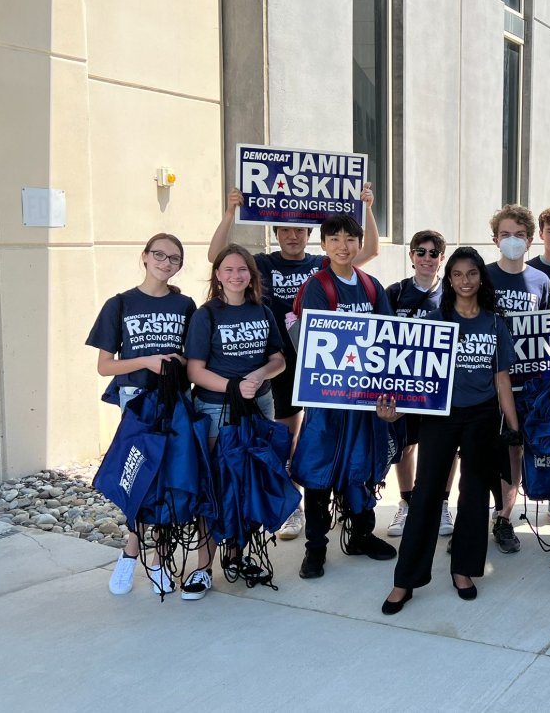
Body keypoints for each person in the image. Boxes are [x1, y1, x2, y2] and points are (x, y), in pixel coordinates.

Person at [206, 185, 380, 541]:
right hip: (279, 360)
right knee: (286, 436)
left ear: (310, 236)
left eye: (299, 229)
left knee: (319, 440)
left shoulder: (323, 265)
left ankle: (345, 515)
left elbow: (371, 249)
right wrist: (229, 213)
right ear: (275, 234)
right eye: (284, 229)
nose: (291, 235)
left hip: (324, 366)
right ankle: (293, 508)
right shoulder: (264, 264)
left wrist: (368, 207)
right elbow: (217, 257)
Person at [380, 247, 519, 614]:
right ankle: (405, 580)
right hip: (440, 417)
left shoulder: (493, 322)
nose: (465, 281)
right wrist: (395, 412)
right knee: (426, 494)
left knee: (474, 494)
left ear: (480, 277)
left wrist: (514, 429)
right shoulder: (435, 321)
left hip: (483, 417)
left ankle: (463, 569)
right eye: (457, 274)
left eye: (471, 273)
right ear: (450, 278)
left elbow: (502, 379)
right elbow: (410, 373)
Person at [87, 234, 196, 596]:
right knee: (137, 477)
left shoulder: (186, 304)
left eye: (174, 258)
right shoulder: (119, 304)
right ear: (145, 257)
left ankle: (160, 555)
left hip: (174, 402)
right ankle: (131, 549)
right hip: (136, 403)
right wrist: (148, 360)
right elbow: (106, 366)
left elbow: (194, 357)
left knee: (167, 479)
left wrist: (177, 361)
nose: (166, 263)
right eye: (159, 255)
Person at [293, 214, 397, 580]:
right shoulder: (317, 286)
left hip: (364, 398)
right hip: (329, 398)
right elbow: (317, 341)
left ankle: (361, 534)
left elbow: (388, 338)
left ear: (359, 244)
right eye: (334, 239)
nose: (342, 245)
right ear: (323, 245)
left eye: (350, 239)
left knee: (362, 468)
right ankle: (316, 548)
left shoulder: (371, 286)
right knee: (320, 471)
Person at [185, 243, 287, 600]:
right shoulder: (206, 315)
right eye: (228, 269)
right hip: (217, 410)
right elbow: (195, 370)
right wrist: (234, 386)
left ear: (251, 274)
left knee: (247, 483)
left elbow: (279, 359)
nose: (235, 275)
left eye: (242, 269)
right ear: (217, 275)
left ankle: (235, 556)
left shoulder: (262, 310)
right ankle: (202, 568)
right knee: (214, 487)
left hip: (259, 404)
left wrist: (258, 375)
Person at [485, 204, 550, 555]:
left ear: (530, 241)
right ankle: (473, 515)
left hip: (529, 382)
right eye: (505, 234)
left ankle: (504, 517)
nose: (512, 240)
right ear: (495, 239)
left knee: (516, 450)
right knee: (485, 455)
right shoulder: (483, 277)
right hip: (489, 383)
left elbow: (547, 328)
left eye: (519, 235)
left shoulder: (540, 280)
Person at [385, 230, 456, 540]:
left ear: (442, 259)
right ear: (411, 256)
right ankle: (407, 502)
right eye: (421, 252)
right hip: (404, 383)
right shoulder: (395, 293)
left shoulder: (452, 293)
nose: (427, 258)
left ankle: (441, 503)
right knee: (407, 444)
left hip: (442, 385)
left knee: (446, 448)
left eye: (433, 253)